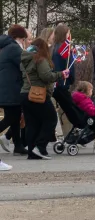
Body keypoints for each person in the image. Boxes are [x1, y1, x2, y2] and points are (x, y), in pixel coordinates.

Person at [20, 38, 70, 159]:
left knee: (32, 124)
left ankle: (32, 152)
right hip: (38, 95)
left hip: (25, 94)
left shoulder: (25, 60)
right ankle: (40, 147)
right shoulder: (40, 59)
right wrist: (61, 74)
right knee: (51, 119)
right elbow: (46, 76)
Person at [0, 25, 31, 161]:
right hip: (11, 87)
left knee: (15, 115)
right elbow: (25, 63)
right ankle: (17, 144)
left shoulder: (7, 47)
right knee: (12, 117)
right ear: (21, 37)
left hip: (8, 87)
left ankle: (18, 145)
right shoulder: (14, 48)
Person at [51, 24, 85, 129]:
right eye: (69, 33)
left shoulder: (53, 48)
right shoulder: (63, 49)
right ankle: (81, 126)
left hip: (54, 83)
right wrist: (71, 79)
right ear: (65, 34)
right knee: (71, 109)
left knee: (67, 109)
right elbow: (68, 67)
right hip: (62, 82)